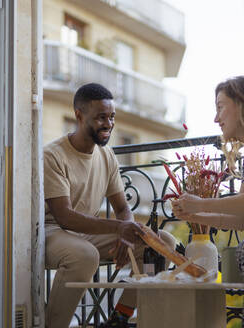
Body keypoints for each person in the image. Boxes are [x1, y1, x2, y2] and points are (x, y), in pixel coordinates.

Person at [44, 83, 175, 328]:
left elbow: (123, 208)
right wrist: (117, 229)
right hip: (53, 233)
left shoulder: (106, 156)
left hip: (88, 234)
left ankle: (120, 318)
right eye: (101, 117)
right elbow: (64, 217)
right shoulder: (53, 155)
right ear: (79, 115)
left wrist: (126, 234)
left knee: (161, 244)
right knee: (84, 255)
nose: (109, 124)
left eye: (112, 117)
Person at [171, 76, 244, 327]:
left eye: (220, 107)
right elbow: (241, 220)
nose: (216, 119)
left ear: (242, 105)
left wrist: (201, 204)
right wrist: (193, 216)